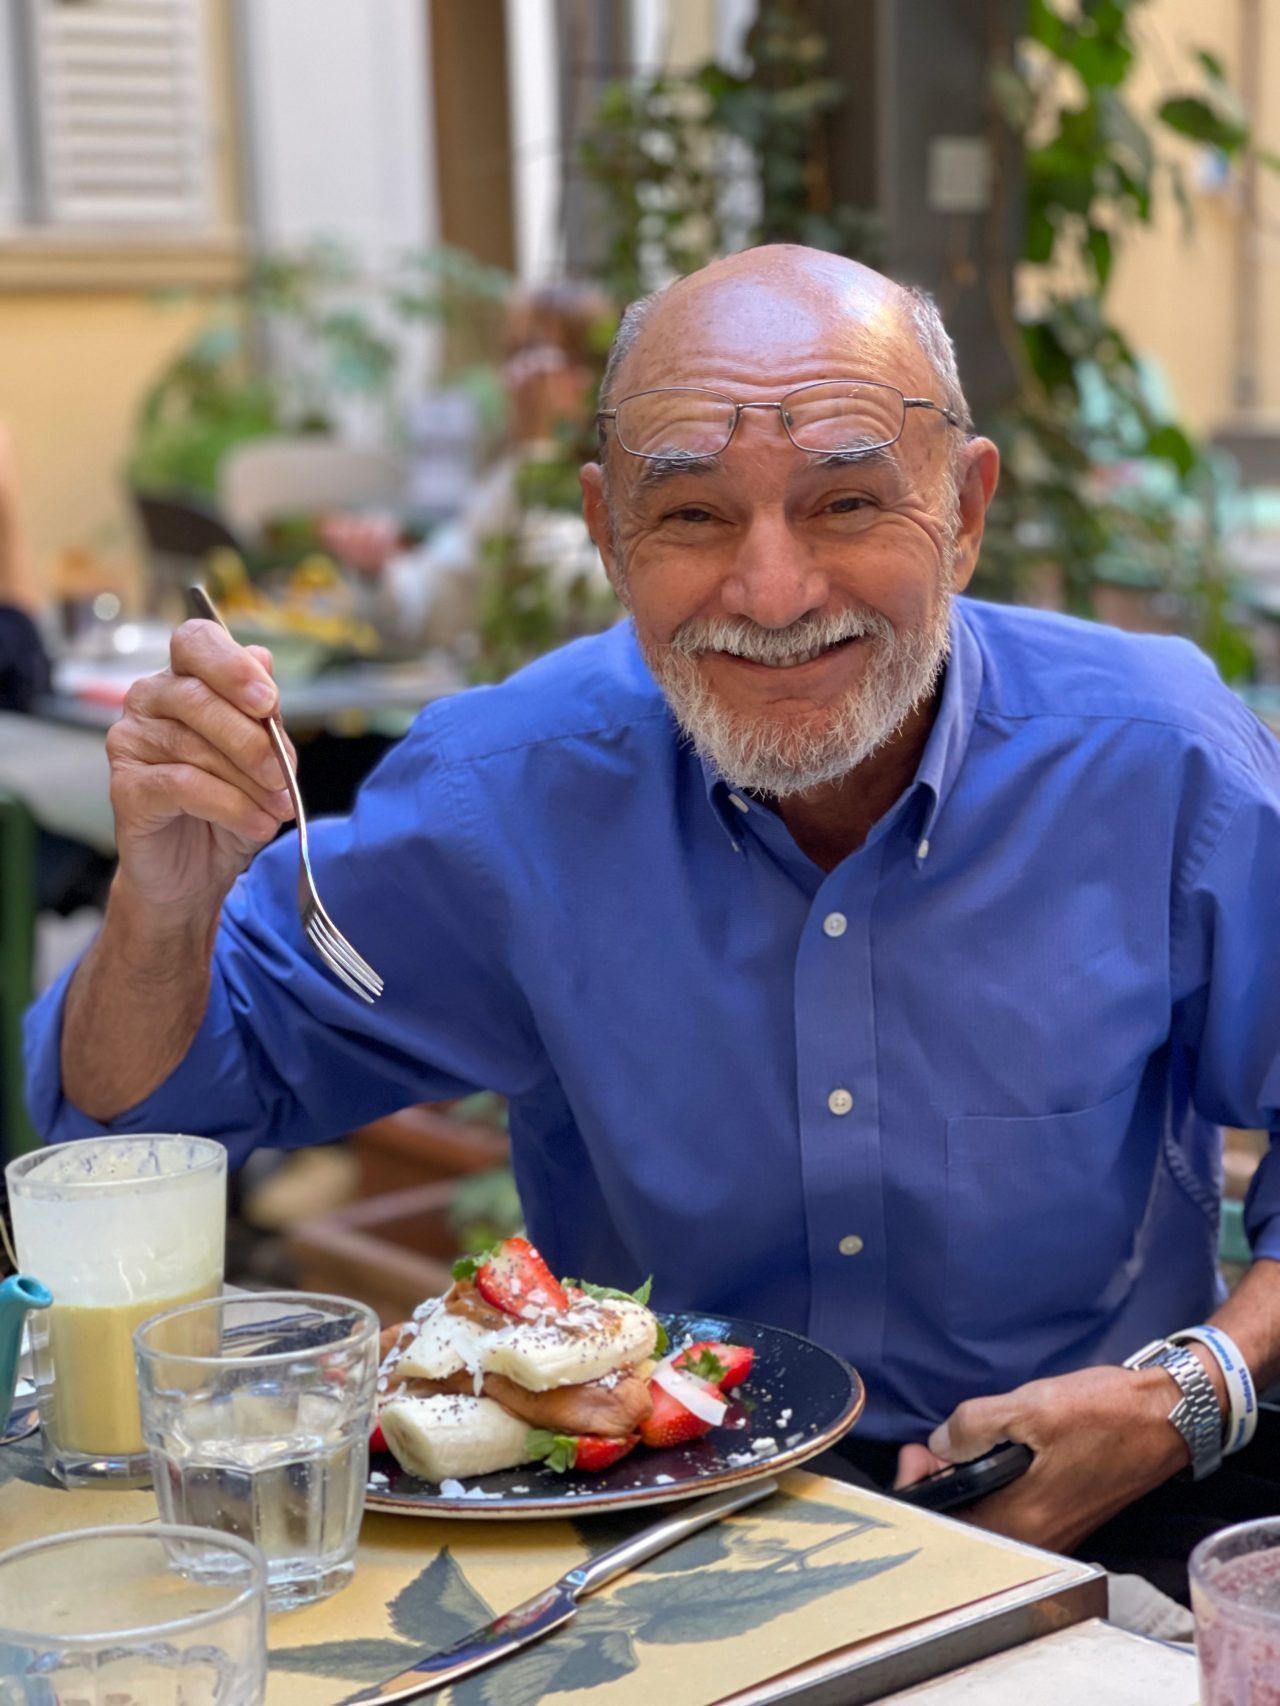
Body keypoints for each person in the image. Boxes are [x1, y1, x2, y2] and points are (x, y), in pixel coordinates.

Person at [23, 246, 1280, 1599]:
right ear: (609, 531)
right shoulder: (501, 796)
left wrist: (1189, 1392)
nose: (775, 589)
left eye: (848, 499)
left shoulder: (1160, 763)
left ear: (964, 510)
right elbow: (131, 1132)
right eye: (690, 516)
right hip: (625, 1548)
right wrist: (164, 898)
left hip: (1094, 1512)